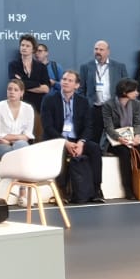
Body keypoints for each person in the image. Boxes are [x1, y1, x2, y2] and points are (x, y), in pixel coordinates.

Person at [40, 69, 103, 204]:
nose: (66, 82)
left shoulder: (83, 101)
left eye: (70, 80)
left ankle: (96, 189)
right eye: (64, 79)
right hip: (57, 138)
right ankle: (61, 191)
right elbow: (48, 127)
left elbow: (88, 126)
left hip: (77, 139)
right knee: (60, 150)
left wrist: (81, 142)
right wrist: (65, 142)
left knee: (95, 149)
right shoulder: (49, 99)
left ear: (77, 85)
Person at [100, 78, 140, 200]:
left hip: (132, 136)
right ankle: (128, 189)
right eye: (134, 90)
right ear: (124, 92)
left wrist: (137, 135)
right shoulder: (108, 105)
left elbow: (138, 122)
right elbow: (108, 127)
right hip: (115, 139)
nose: (137, 93)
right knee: (125, 153)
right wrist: (119, 138)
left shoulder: (136, 104)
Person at [0, 76, 37, 157]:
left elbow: (27, 135)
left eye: (16, 90)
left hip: (18, 143)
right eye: (9, 89)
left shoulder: (28, 109)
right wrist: (19, 137)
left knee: (22, 145)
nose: (12, 92)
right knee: (14, 153)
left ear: (22, 93)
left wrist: (9, 141)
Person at [79, 40, 130, 108]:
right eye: (96, 49)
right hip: (93, 107)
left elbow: (126, 87)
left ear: (108, 52)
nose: (98, 52)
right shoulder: (85, 67)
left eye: (101, 50)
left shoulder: (119, 67)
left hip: (113, 108)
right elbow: (81, 89)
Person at [7, 35, 51, 103]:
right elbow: (15, 85)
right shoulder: (13, 65)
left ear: (33, 49)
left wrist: (22, 83)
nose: (24, 48)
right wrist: (37, 84)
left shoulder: (41, 67)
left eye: (27, 46)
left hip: (38, 104)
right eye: (22, 45)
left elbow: (46, 89)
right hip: (19, 103)